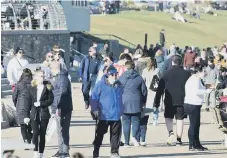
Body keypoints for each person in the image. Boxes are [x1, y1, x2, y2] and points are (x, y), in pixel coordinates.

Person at [154, 55, 190, 146]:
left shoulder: (166, 73)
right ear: (181, 62)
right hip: (182, 99)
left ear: (172, 62)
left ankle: (171, 132)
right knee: (180, 119)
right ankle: (179, 139)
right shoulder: (187, 74)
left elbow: (160, 89)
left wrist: (157, 101)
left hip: (169, 99)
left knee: (168, 117)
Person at [91, 66, 123, 158]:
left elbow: (123, 97)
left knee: (115, 135)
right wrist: (95, 109)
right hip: (103, 115)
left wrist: (122, 109)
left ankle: (114, 152)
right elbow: (94, 98)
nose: (114, 76)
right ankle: (96, 149)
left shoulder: (119, 85)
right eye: (112, 74)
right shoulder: (100, 84)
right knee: (99, 134)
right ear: (107, 75)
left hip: (116, 115)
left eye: (116, 74)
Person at [118, 61, 147, 147]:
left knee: (125, 122)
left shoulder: (122, 78)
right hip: (136, 102)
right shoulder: (139, 78)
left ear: (126, 67)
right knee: (136, 121)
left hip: (124, 102)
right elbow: (144, 91)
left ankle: (126, 142)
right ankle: (134, 137)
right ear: (134, 67)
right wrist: (143, 101)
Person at [51, 62, 73, 158]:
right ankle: (62, 150)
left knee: (62, 131)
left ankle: (64, 152)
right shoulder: (61, 77)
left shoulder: (62, 78)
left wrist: (57, 106)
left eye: (52, 67)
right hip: (63, 107)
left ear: (55, 68)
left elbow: (62, 92)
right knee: (61, 131)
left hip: (62, 108)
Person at [30, 69, 54, 158]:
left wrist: (41, 103)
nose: (42, 78)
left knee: (42, 134)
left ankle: (41, 153)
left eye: (43, 76)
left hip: (44, 113)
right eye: (40, 76)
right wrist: (26, 114)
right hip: (34, 114)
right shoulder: (31, 88)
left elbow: (51, 100)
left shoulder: (47, 87)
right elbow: (28, 100)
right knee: (35, 133)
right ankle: (35, 151)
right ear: (35, 77)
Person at [184, 66, 208, 151]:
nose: (205, 73)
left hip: (190, 104)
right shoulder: (196, 79)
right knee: (194, 125)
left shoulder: (192, 79)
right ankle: (192, 145)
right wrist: (207, 91)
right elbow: (197, 91)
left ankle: (196, 144)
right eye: (204, 71)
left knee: (195, 125)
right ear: (199, 72)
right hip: (193, 104)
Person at [137, 58, 160, 146]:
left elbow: (142, 81)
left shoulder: (144, 71)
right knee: (154, 107)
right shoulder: (157, 70)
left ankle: (139, 137)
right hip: (153, 92)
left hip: (146, 92)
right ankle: (155, 119)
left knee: (144, 114)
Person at [12, 68, 33, 145]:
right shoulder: (33, 84)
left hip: (20, 107)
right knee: (30, 124)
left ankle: (25, 140)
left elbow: (14, 97)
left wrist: (16, 105)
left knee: (23, 126)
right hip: (31, 107)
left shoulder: (19, 84)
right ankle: (30, 138)